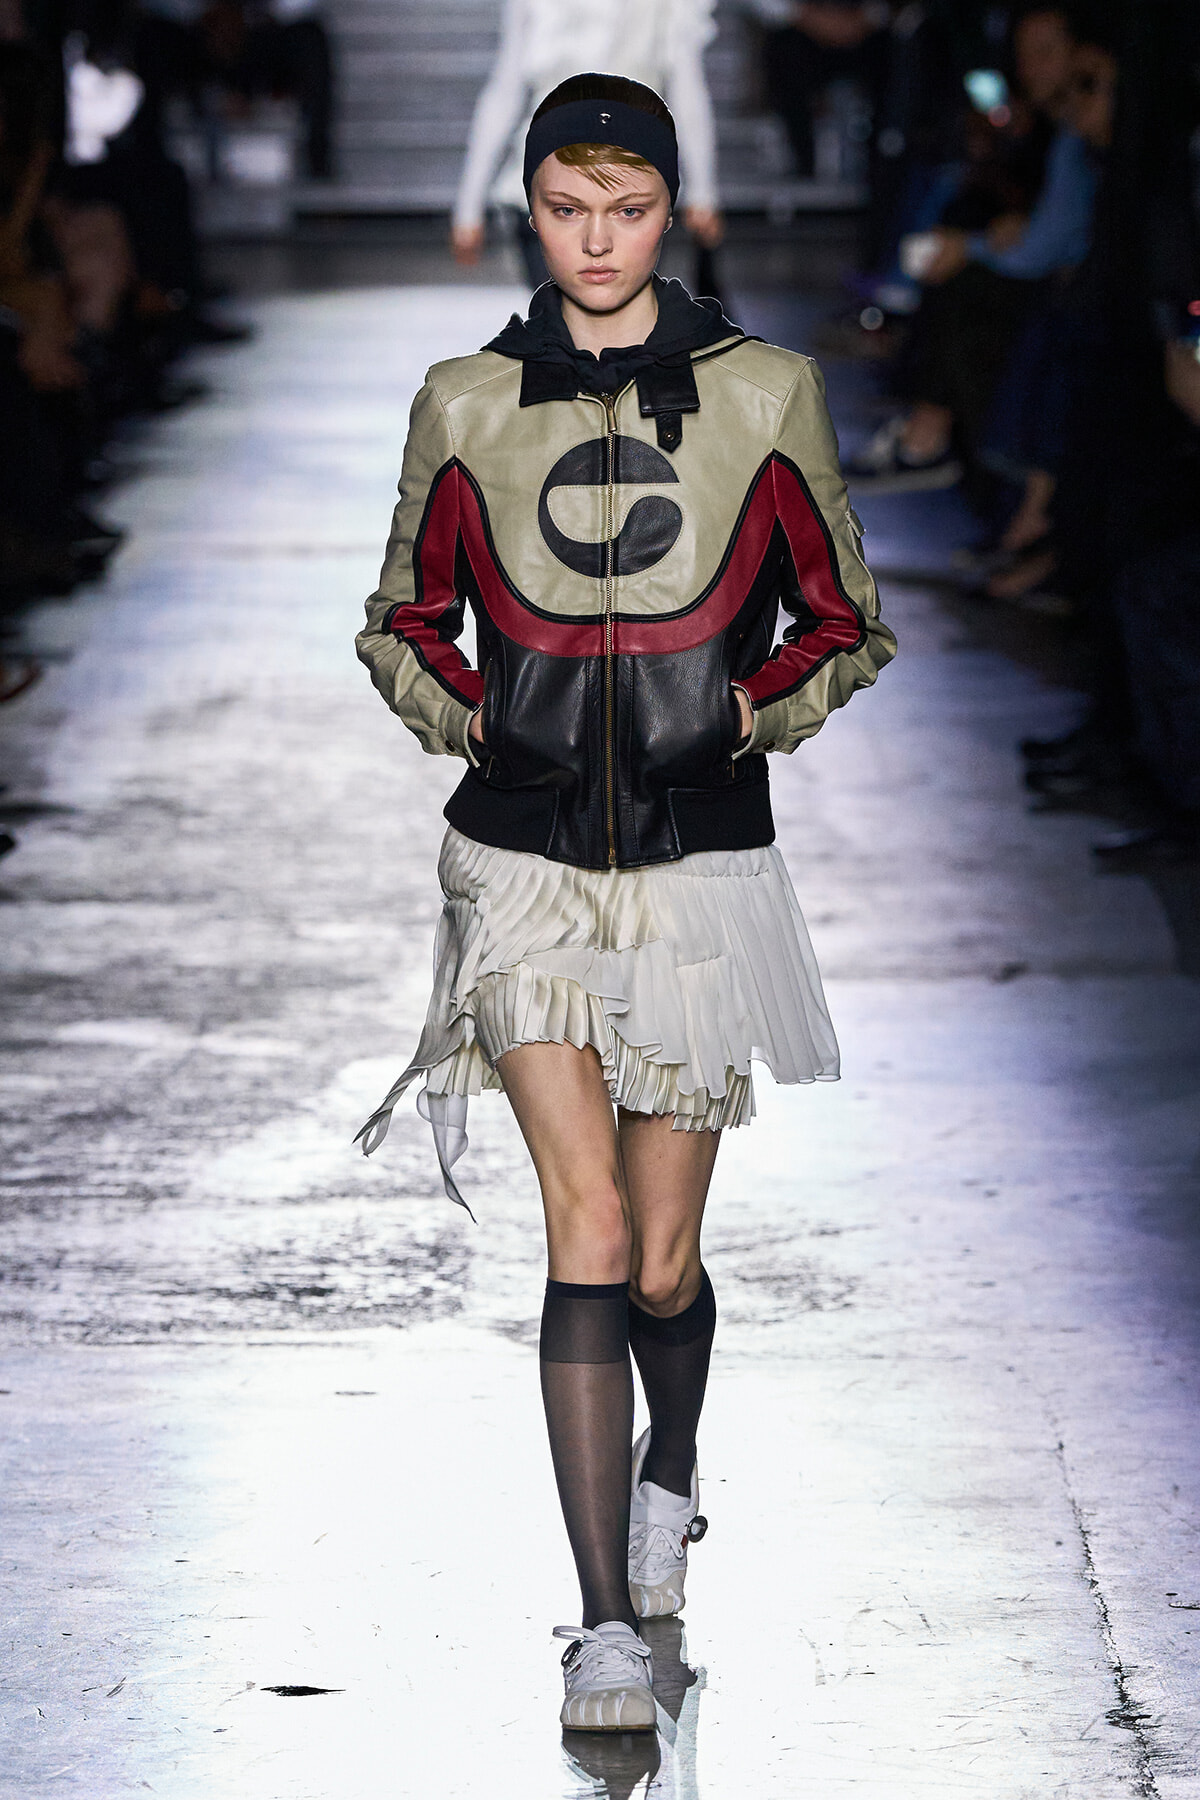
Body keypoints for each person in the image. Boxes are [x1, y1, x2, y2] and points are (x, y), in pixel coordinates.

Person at [355, 72, 895, 1732]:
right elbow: (399, 622)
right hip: (518, 864)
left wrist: (739, 714)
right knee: (584, 1230)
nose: (599, 241)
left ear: (672, 208)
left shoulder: (764, 394)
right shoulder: (464, 400)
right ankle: (599, 1623)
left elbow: (844, 621)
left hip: (699, 875)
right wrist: (474, 714)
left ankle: (675, 1471)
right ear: (535, 207)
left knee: (664, 1259)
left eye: (631, 208)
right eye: (570, 209)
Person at [450, 0, 724, 287]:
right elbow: (507, 87)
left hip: (632, 187)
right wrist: (469, 206)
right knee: (566, 323)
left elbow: (686, 87)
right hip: (557, 184)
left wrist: (704, 192)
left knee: (620, 321)